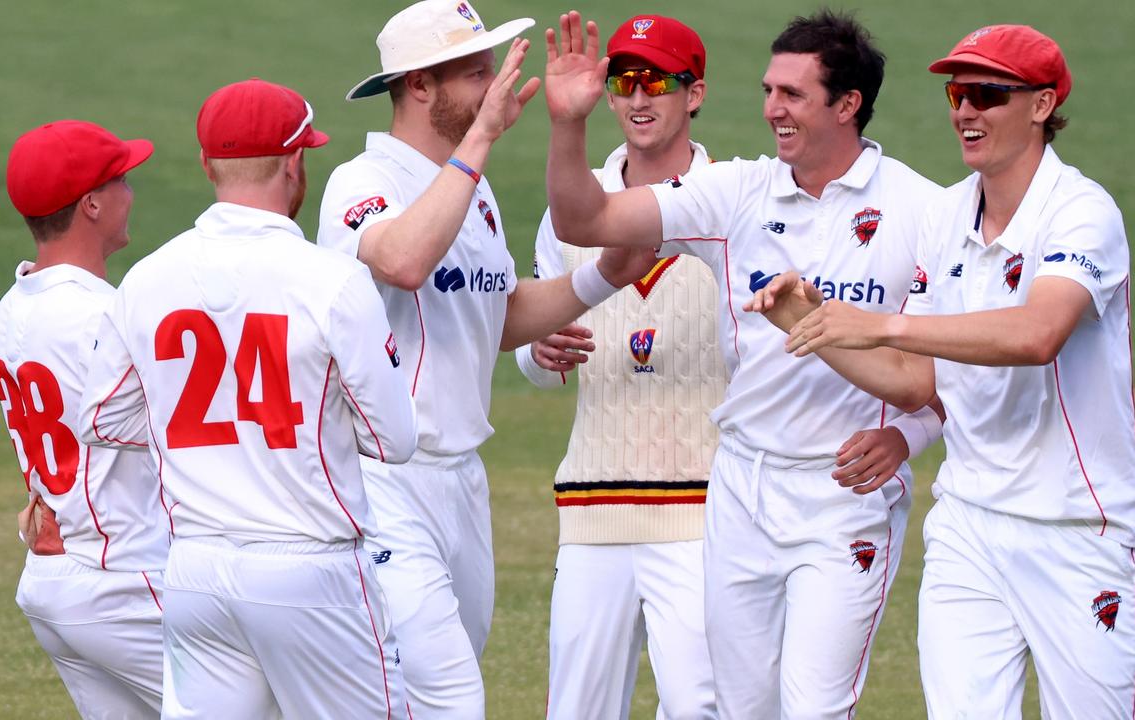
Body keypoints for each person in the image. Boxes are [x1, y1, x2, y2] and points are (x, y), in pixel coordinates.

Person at [542, 10, 944, 717]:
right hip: (739, 490)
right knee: (737, 707)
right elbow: (583, 222)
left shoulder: (925, 212)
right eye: (767, 90)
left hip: (843, 494)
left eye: (792, 95)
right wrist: (570, 123)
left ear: (847, 105)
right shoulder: (738, 193)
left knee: (815, 708)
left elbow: (963, 372)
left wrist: (905, 436)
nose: (770, 111)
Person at [754, 25, 1135, 718]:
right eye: (957, 93)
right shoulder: (946, 214)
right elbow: (920, 383)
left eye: (988, 94)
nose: (965, 111)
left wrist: (882, 324)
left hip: (1077, 530)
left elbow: (1037, 334)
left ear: (1042, 104)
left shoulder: (1082, 214)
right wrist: (815, 330)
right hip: (968, 524)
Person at [317, 2, 657, 716]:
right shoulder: (364, 180)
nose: (496, 86)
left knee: (430, 688)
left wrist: (603, 277)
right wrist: (477, 145)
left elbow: (496, 315)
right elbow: (406, 261)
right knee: (447, 697)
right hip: (383, 480)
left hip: (463, 484)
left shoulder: (475, 191)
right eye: (474, 73)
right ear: (417, 86)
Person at [79, 78, 418, 719]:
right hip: (312, 573)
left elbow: (98, 418)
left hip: (195, 572)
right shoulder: (333, 280)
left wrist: (211, 429)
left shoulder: (147, 277)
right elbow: (393, 440)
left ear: (207, 165)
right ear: (295, 162)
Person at [516, 16, 720, 718]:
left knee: (701, 706)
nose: (639, 99)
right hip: (592, 512)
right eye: (624, 82)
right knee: (576, 708)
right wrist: (536, 352)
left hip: (703, 514)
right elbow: (535, 361)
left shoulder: (736, 203)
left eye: (657, 82)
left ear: (693, 95)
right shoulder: (570, 210)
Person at [0, 119, 168, 718]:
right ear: (90, 203)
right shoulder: (102, 315)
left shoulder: (13, 305)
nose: (131, 193)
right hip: (121, 577)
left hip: (51, 573)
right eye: (121, 180)